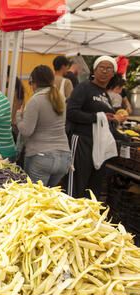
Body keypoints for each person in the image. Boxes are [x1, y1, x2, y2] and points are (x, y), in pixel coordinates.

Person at [65, 55, 127, 200]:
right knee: (77, 187)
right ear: (94, 70)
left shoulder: (105, 94)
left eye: (108, 69)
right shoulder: (84, 88)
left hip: (98, 145)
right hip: (81, 141)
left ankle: (87, 219)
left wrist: (123, 136)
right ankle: (69, 217)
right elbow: (71, 113)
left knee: (92, 189)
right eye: (101, 68)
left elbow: (107, 123)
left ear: (113, 73)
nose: (104, 71)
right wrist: (97, 116)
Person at [15, 65, 71, 187]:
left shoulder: (35, 100)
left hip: (41, 157)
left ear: (34, 83)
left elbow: (26, 131)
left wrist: (19, 117)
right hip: (64, 157)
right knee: (48, 199)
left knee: (35, 199)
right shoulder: (60, 97)